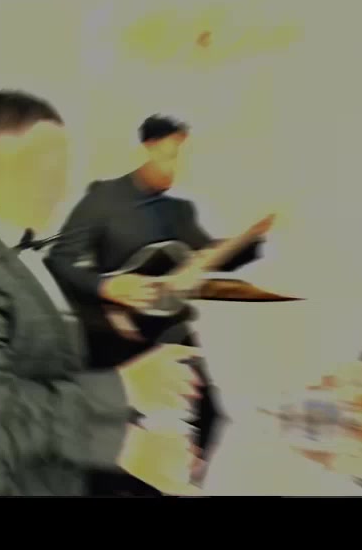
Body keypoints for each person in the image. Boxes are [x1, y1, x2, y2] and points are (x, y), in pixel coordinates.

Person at [0, 91, 204, 496]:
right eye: (47, 167)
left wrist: (135, 398)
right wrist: (122, 417)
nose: (61, 188)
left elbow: (44, 379)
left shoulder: (22, 253)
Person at [45, 114, 271, 496]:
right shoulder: (103, 199)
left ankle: (178, 484)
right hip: (113, 336)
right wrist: (106, 286)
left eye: (181, 156)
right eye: (168, 155)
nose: (175, 166)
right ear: (146, 150)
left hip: (169, 332)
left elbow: (209, 257)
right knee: (116, 434)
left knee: (209, 414)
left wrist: (252, 238)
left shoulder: (179, 212)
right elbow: (60, 260)